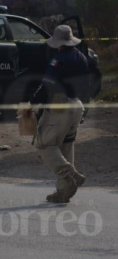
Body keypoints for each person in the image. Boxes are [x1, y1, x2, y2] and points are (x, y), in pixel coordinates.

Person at [27, 25, 89, 203]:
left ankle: (72, 175)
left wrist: (33, 102)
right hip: (77, 105)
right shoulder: (82, 58)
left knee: (43, 143)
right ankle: (63, 192)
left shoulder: (58, 59)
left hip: (59, 106)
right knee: (65, 147)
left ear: (57, 43)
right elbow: (87, 85)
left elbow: (47, 84)